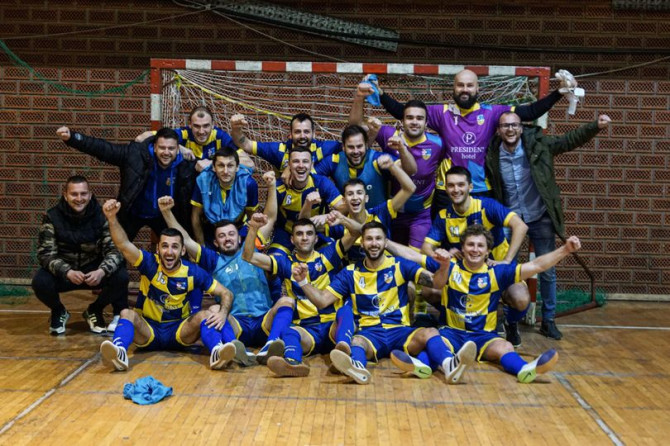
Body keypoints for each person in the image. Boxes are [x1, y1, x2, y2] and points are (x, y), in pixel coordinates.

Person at [294, 221, 477, 385]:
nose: (374, 243)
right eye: (369, 239)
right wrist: (303, 282)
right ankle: (357, 368)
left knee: (430, 332)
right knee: (357, 341)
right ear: (361, 243)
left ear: (385, 242)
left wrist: (444, 267)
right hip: (370, 333)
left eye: (378, 239)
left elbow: (436, 283)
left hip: (399, 331)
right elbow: (322, 301)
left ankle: (450, 366)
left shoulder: (400, 265)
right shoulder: (350, 272)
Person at [485, 112, 612, 339]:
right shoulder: (491, 153)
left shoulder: (539, 145)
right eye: (505, 126)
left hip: (539, 215)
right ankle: (503, 318)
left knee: (547, 270)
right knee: (502, 269)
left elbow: (568, 140)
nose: (510, 129)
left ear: (521, 128)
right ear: (498, 130)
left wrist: (595, 126)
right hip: (509, 218)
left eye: (514, 125)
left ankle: (549, 320)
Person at [157, 172, 295, 367]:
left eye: (231, 234)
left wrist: (271, 186)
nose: (228, 238)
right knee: (213, 310)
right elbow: (185, 240)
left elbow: (271, 218)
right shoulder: (212, 259)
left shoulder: (252, 247)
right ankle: (232, 348)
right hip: (235, 323)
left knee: (287, 301)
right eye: (222, 236)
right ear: (215, 242)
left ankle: (270, 344)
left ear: (239, 238)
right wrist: (166, 212)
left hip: (263, 320)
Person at [375, 69, 575, 199]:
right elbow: (404, 113)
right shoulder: (441, 112)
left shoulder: (492, 112)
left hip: (481, 189)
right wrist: (381, 94)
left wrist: (558, 93)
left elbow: (530, 112)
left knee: (480, 244)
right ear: (453, 88)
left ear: (477, 88)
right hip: (447, 190)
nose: (465, 89)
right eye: (460, 85)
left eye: (469, 85)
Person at [420, 225, 582, 383]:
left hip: (483, 336)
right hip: (452, 333)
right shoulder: (449, 267)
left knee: (505, 347)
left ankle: (524, 369)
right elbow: (416, 259)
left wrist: (565, 249)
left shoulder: (497, 272)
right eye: (470, 244)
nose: (475, 249)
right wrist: (436, 255)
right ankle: (421, 366)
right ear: (462, 248)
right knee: (433, 343)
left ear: (487, 251)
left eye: (480, 246)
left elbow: (536, 265)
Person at [98, 199, 237, 371]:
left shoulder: (193, 272)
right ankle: (119, 353)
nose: (169, 252)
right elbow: (123, 244)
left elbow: (226, 293)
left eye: (174, 247)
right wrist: (112, 218)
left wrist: (222, 313)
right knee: (126, 313)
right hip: (149, 329)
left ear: (182, 251)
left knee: (206, 315)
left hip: (179, 331)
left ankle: (217, 353)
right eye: (164, 246)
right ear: (158, 249)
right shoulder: (149, 263)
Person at [422, 165, 530, 346]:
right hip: (465, 276)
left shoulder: (487, 206)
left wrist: (506, 261)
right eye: (451, 185)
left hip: (496, 272)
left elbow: (521, 226)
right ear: (445, 188)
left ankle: (510, 322)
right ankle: (451, 320)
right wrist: (444, 254)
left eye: (460, 185)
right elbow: (425, 247)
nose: (456, 190)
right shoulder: (444, 215)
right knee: (429, 290)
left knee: (520, 298)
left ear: (470, 187)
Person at [242, 214, 359, 377]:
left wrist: (343, 219)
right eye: (299, 234)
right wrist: (254, 228)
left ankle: (343, 352)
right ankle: (293, 363)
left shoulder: (329, 254)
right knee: (289, 332)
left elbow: (357, 232)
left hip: (332, 326)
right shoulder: (285, 262)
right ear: (292, 239)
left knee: (346, 311)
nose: (304, 237)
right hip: (307, 330)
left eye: (309, 233)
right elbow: (248, 256)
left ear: (316, 238)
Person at [56, 126, 197, 242]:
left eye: (171, 148)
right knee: (116, 250)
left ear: (178, 149)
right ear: (155, 147)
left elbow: (208, 168)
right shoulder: (134, 154)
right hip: (132, 212)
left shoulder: (186, 165)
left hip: (164, 215)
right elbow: (103, 149)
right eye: (162, 148)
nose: (166, 152)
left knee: (177, 249)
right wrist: (72, 138)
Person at [352, 83, 445, 249]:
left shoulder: (438, 144)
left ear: (426, 123)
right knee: (393, 257)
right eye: (409, 118)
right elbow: (355, 127)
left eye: (419, 118)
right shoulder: (388, 134)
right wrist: (359, 97)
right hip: (393, 211)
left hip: (421, 214)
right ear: (402, 120)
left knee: (416, 258)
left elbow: (417, 170)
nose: (414, 122)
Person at [32, 175, 128, 335]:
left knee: (121, 276)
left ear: (90, 195)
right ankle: (59, 311)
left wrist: (102, 271)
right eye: (74, 194)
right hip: (65, 272)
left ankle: (95, 309)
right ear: (65, 195)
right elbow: (45, 255)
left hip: (94, 271)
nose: (79, 198)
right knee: (40, 282)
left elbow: (115, 250)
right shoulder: (52, 216)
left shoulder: (102, 215)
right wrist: (66, 271)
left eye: (83, 194)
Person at [321, 150, 415, 262]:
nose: (355, 197)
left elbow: (410, 188)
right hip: (356, 271)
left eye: (359, 193)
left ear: (366, 198)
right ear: (344, 200)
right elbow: (309, 228)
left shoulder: (381, 212)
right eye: (350, 194)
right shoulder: (338, 224)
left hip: (386, 268)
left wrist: (392, 166)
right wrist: (319, 216)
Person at [315, 125, 416, 210]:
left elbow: (410, 171)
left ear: (366, 145)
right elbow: (311, 177)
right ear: (343, 147)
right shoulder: (334, 161)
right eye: (351, 147)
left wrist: (401, 151)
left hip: (377, 221)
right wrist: (332, 196)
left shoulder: (377, 159)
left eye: (359, 146)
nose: (356, 151)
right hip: (348, 220)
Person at [270, 146, 347, 255]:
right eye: (296, 161)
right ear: (289, 165)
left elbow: (344, 208)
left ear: (311, 165)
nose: (301, 165)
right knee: (275, 259)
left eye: (305, 161)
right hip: (286, 232)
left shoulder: (321, 183)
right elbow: (270, 218)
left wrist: (327, 216)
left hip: (315, 231)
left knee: (332, 256)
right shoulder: (278, 187)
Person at [135, 105, 254, 171]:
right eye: (196, 126)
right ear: (190, 125)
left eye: (206, 126)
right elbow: (140, 138)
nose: (201, 131)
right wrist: (178, 147)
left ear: (213, 125)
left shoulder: (220, 137)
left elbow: (250, 164)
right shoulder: (183, 134)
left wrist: (213, 163)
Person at [190, 147, 259, 245]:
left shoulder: (248, 184)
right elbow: (195, 216)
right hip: (211, 230)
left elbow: (251, 217)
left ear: (237, 167)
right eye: (221, 165)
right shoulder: (203, 181)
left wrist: (244, 239)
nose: (225, 171)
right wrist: (201, 246)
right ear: (214, 167)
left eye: (230, 166)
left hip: (238, 229)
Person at [230, 112, 341, 172]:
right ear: (290, 134)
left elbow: (348, 145)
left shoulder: (324, 148)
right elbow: (247, 145)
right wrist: (236, 129)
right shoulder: (279, 151)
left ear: (314, 134)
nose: (302, 136)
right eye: (297, 132)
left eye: (306, 131)